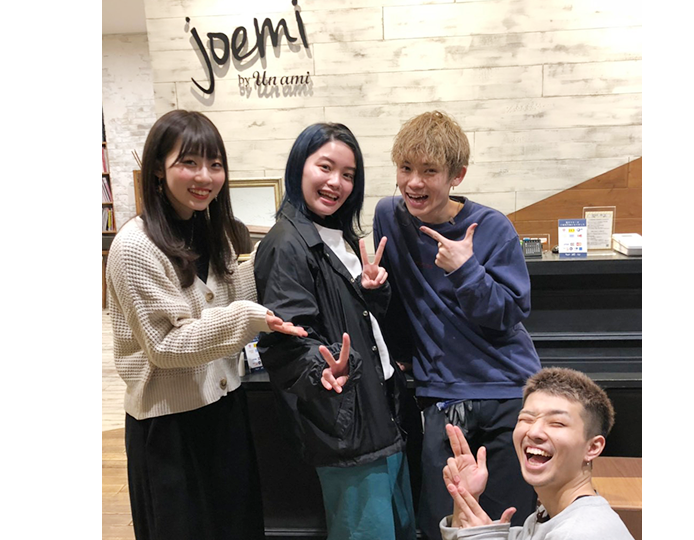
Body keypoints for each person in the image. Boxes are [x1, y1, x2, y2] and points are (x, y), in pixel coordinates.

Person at [106, 109, 307, 540]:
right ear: (158, 169)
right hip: (168, 428)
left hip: (225, 409)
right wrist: (249, 318)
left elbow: (235, 293)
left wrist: (278, 252)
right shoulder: (135, 246)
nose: (205, 176)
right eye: (189, 162)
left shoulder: (214, 231)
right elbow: (166, 345)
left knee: (238, 525)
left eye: (215, 164)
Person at [372, 110, 542, 539]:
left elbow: (510, 313)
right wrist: (374, 293)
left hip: (507, 388)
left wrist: (466, 272)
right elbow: (397, 303)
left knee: (507, 521)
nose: (414, 182)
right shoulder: (389, 217)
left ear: (456, 176)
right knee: (442, 522)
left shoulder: (492, 227)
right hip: (444, 394)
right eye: (405, 168)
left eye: (429, 171)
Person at [253, 122, 417, 540]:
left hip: (380, 415)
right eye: (325, 167)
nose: (336, 183)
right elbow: (287, 341)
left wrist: (372, 291)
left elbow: (350, 319)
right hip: (347, 427)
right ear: (299, 167)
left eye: (348, 174)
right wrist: (322, 370)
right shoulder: (286, 244)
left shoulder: (339, 236)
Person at [439, 367, 634, 540]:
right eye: (526, 419)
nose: (533, 432)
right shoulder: (547, 517)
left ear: (592, 448)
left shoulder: (582, 532)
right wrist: (465, 498)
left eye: (557, 423)